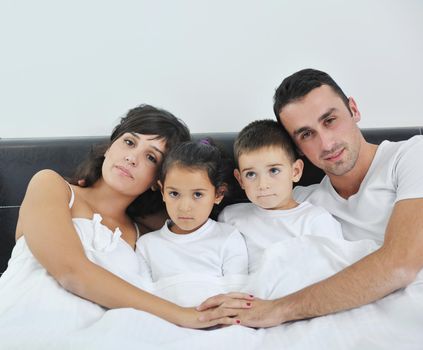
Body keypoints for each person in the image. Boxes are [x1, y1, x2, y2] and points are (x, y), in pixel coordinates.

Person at [0, 104, 252, 345]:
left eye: (151, 157)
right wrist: (184, 315)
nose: (132, 158)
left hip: (103, 337)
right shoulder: (52, 186)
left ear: (159, 182)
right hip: (22, 326)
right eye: (129, 142)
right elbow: (70, 272)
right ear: (110, 147)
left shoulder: (148, 235)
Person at [198, 68, 423, 328]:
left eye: (330, 120)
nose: (326, 143)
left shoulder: (411, 156)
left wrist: (277, 310)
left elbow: (401, 264)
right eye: (306, 134)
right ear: (297, 152)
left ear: (354, 109)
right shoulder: (302, 202)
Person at [218, 119, 343, 273]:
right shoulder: (230, 217)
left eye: (274, 171)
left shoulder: (315, 220)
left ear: (295, 171)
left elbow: (335, 273)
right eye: (251, 174)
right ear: (240, 179)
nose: (263, 184)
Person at [137, 139, 249, 282]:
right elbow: (143, 296)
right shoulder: (146, 245)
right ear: (162, 191)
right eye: (174, 194)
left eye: (197, 194)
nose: (184, 207)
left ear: (219, 194)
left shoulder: (228, 238)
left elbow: (237, 293)